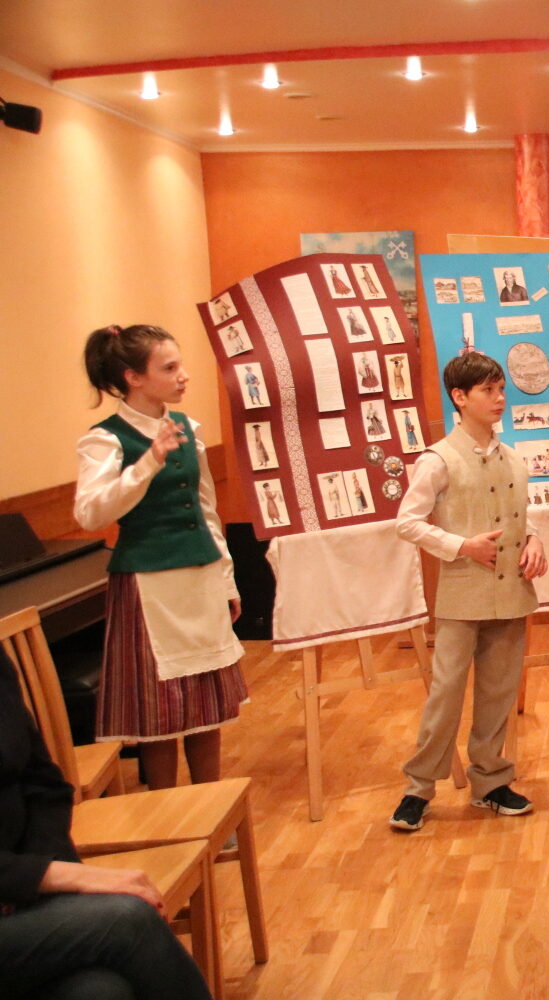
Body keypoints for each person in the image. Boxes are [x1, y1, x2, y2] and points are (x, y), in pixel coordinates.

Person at [74, 324, 247, 790]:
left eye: (179, 365)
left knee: (206, 709)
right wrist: (148, 462)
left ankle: (212, 806)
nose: (183, 375)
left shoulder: (188, 428)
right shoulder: (106, 440)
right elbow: (91, 513)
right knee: (160, 713)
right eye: (169, 368)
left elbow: (206, 510)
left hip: (199, 579)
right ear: (133, 377)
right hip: (150, 589)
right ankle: (166, 808)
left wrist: (226, 580)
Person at [390, 352, 547, 831]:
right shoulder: (438, 459)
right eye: (488, 391)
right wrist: (461, 545)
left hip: (511, 592)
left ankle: (491, 782)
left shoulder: (513, 458)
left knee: (499, 692)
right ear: (459, 397)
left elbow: (521, 514)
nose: (499, 399)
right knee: (446, 693)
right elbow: (407, 522)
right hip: (462, 595)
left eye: (501, 389)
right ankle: (418, 788)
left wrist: (534, 540)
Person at [0, 647, 212, 1000]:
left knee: (100, 991)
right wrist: (45, 875)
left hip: (19, 895)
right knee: (127, 918)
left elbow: (43, 783)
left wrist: (38, 875)